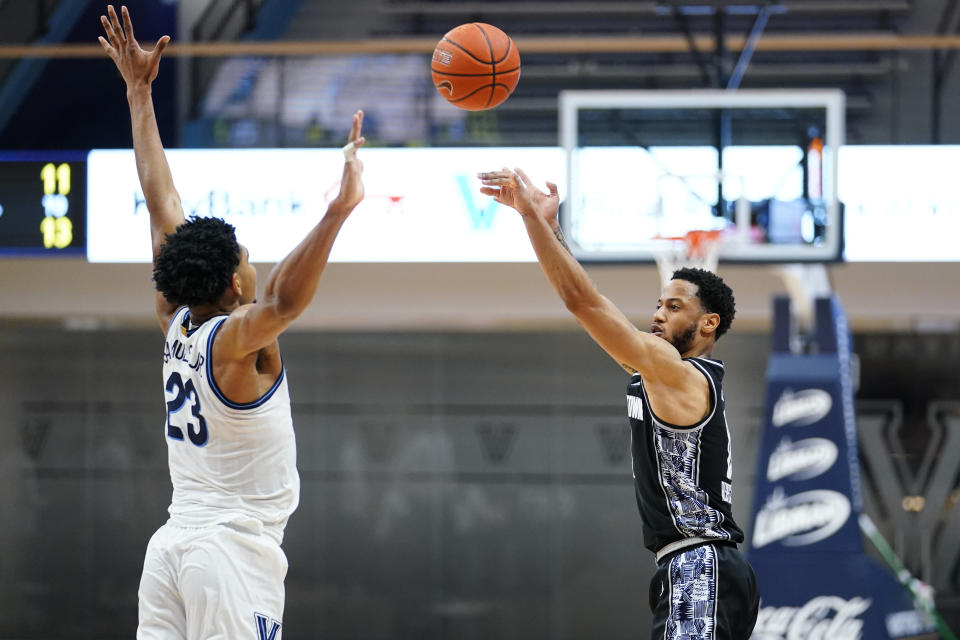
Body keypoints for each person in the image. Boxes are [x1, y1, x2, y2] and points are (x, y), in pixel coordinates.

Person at [98, 5, 365, 637]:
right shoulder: (231, 340)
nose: (252, 263)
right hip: (231, 554)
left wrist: (140, 94)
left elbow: (160, 200)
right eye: (246, 258)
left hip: (171, 549)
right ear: (231, 283)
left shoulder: (176, 320)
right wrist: (336, 213)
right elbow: (286, 303)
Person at [477, 168, 759, 639]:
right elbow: (597, 307)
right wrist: (552, 229)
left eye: (673, 307)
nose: (657, 314)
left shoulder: (676, 373)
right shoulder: (665, 376)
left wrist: (529, 217)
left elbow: (582, 303)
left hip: (700, 563)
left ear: (708, 324)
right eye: (659, 304)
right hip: (699, 564)